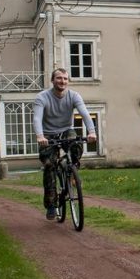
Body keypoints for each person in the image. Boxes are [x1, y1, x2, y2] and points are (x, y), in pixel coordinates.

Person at [33, 68, 97, 220]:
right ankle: (51, 205)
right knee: (49, 165)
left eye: (65, 79)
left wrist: (92, 132)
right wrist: (40, 136)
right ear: (52, 80)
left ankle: (71, 172)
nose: (62, 81)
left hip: (66, 130)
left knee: (76, 146)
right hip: (48, 134)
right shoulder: (42, 97)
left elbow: (85, 114)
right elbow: (36, 119)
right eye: (59, 78)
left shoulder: (74, 96)